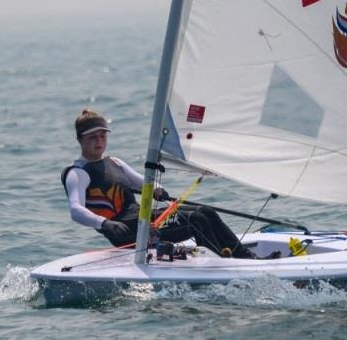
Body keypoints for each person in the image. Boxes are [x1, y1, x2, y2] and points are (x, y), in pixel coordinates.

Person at [61, 108, 260, 259]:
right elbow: (75, 210)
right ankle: (224, 263)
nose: (99, 141)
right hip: (127, 232)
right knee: (195, 221)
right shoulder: (78, 173)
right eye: (92, 137)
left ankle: (246, 258)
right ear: (80, 140)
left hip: (145, 220)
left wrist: (156, 189)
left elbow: (143, 183)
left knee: (205, 212)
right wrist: (104, 223)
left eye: (102, 136)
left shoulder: (115, 162)